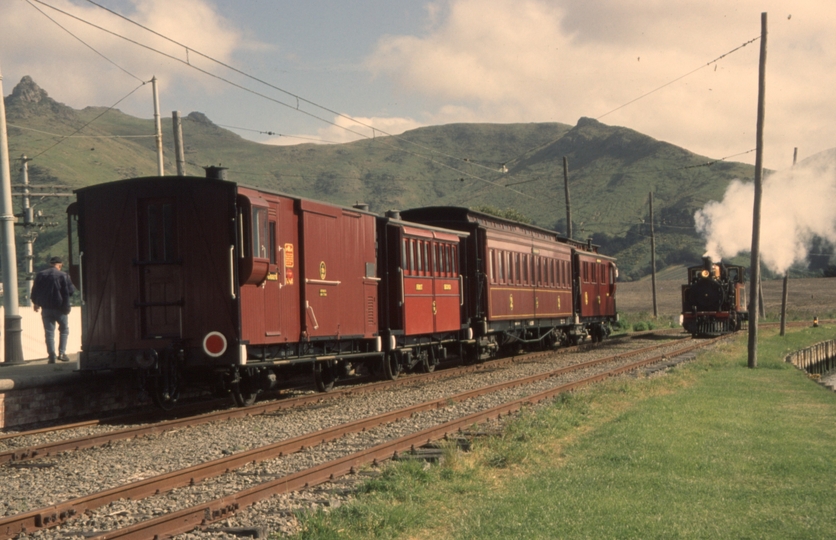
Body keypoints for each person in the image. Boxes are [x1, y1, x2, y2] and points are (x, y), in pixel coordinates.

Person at [31, 256, 76, 363]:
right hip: (60, 308)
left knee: (49, 332)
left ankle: (51, 356)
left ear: (51, 264)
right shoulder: (64, 275)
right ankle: (62, 353)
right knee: (64, 330)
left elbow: (34, 291)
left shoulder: (41, 275)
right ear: (59, 265)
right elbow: (70, 291)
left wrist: (36, 303)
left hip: (46, 308)